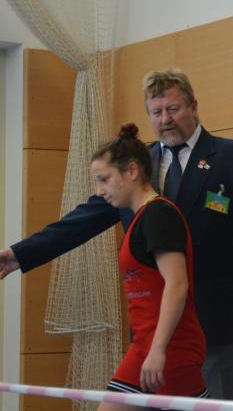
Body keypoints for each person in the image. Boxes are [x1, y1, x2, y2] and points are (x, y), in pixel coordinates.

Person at [0, 69, 233, 401]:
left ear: (193, 107)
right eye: (156, 112)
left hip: (215, 315)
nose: (165, 120)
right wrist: (22, 253)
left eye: (173, 109)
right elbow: (80, 222)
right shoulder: (135, 165)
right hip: (152, 324)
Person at [90, 122, 208, 404]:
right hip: (142, 346)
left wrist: (158, 350)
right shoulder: (139, 218)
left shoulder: (159, 215)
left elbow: (177, 285)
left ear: (132, 171)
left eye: (104, 179)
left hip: (171, 348)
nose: (99, 191)